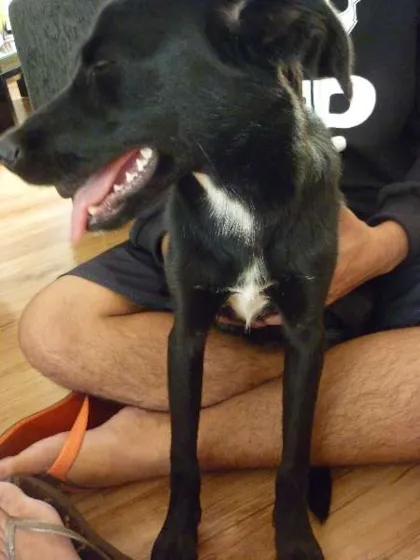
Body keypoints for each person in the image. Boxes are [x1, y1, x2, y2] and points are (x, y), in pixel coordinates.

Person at [1, 0, 420, 490]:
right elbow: (150, 125)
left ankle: (162, 439)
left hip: (380, 219)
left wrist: (386, 244)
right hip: (204, 219)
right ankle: (340, 363)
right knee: (53, 328)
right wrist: (167, 240)